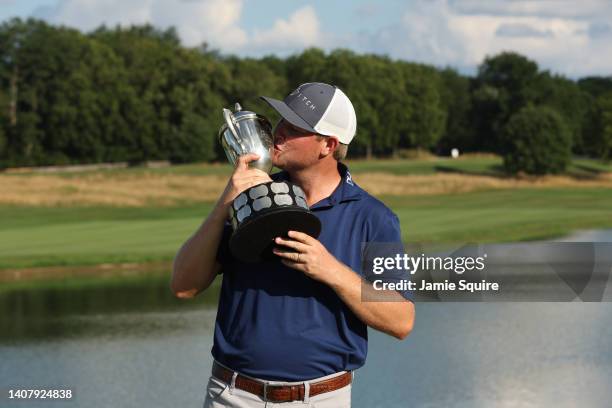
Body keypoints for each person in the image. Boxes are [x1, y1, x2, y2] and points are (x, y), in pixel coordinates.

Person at [171, 82, 415, 407]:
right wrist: (224, 204)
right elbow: (184, 286)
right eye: (281, 121)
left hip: (321, 399)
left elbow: (402, 321)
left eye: (294, 127)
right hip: (232, 395)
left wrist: (331, 271)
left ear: (327, 145)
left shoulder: (373, 217)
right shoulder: (250, 197)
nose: (278, 132)